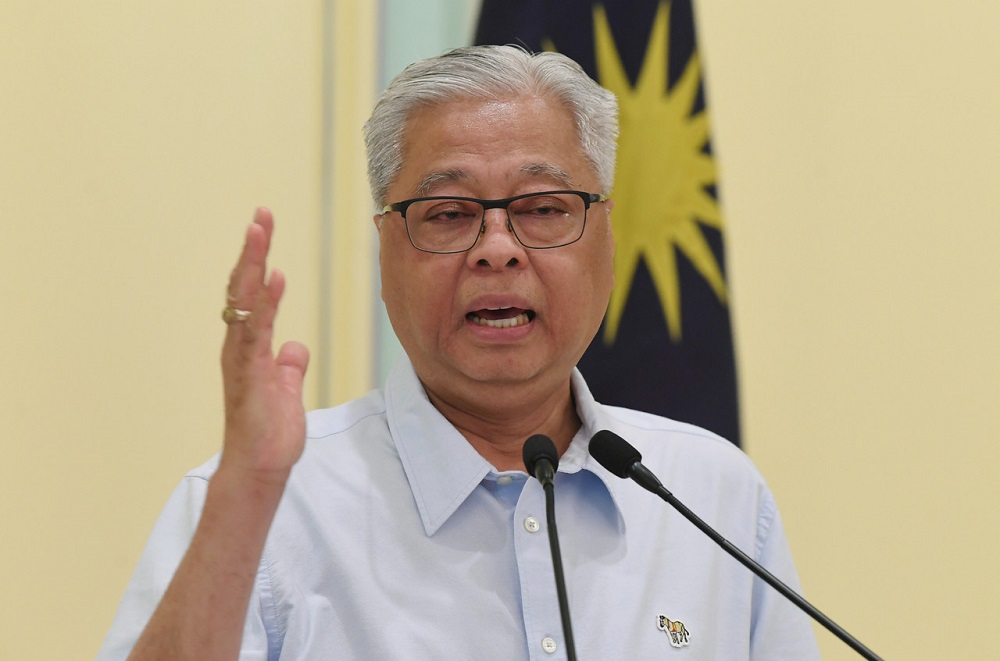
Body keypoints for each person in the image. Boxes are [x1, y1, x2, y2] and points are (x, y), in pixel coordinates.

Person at [97, 45, 819, 660]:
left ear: (605, 237)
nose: (498, 249)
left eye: (543, 208)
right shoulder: (264, 506)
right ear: (385, 249)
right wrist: (246, 493)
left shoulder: (714, 495)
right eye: (448, 214)